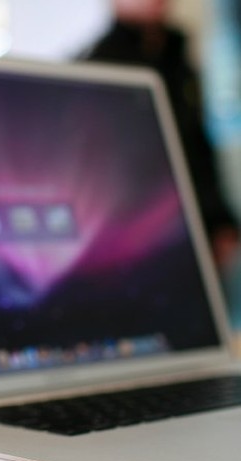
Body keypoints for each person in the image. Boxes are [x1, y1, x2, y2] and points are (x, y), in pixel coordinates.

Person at [84, 0, 240, 269]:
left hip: (199, 229)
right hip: (141, 240)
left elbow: (198, 146)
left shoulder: (177, 56)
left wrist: (220, 219)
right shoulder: (95, 68)